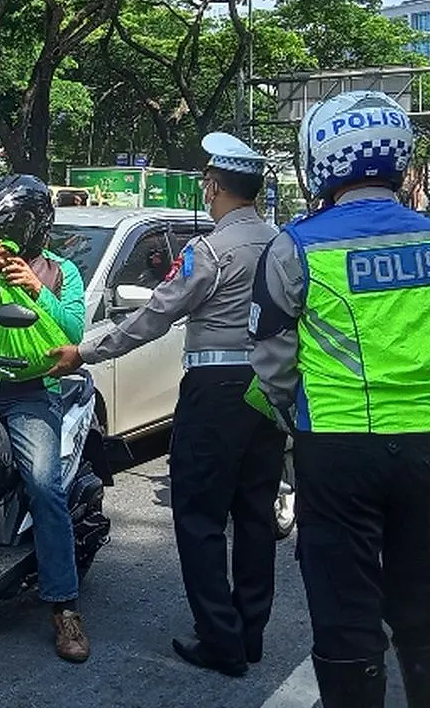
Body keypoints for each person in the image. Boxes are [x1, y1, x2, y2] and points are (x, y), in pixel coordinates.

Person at [249, 90, 430, 708]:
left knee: (345, 606)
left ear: (318, 163)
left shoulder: (296, 247)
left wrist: (289, 416)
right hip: (428, 451)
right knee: (427, 595)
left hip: (336, 452)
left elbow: (271, 361)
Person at [50, 132, 285, 677]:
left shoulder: (210, 251)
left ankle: (221, 640)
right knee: (253, 514)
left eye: (207, 181)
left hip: (216, 394)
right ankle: (249, 634)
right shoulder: (280, 243)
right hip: (268, 389)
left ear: (216, 186)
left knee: (199, 515)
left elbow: (155, 315)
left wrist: (83, 351)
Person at [0, 174, 90, 662]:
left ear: (32, 224)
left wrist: (37, 289)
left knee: (44, 487)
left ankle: (64, 609)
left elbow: (74, 331)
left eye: (6, 222)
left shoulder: (61, 272)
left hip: (33, 393)